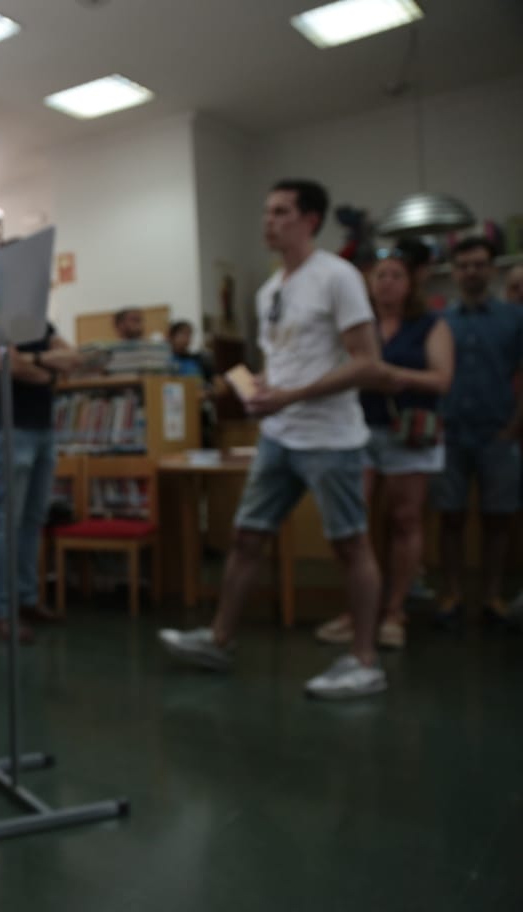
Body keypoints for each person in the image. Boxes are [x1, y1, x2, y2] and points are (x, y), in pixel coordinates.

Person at [158, 178, 387, 699]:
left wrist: (291, 394)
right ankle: (219, 640)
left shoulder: (339, 277)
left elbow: (368, 363)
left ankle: (365, 660)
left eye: (281, 211)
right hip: (278, 437)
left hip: (331, 438)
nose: (269, 221)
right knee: (246, 537)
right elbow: (282, 361)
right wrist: (262, 388)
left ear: (310, 220)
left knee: (350, 545)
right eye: (266, 211)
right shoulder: (269, 291)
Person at [314, 250, 453, 650]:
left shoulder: (429, 325)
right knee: (353, 521)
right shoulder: (359, 325)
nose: (386, 282)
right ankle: (357, 610)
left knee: (405, 519)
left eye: (395, 275)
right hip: (357, 430)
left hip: (409, 433)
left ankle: (395, 612)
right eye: (379, 276)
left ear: (410, 284)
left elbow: (442, 379)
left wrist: (395, 375)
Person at [431, 237, 523, 627]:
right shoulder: (440, 322)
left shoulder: (513, 318)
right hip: (450, 433)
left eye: (479, 264)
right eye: (464, 265)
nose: (471, 271)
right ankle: (451, 595)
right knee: (449, 517)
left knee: (497, 519)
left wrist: (514, 426)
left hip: (497, 432)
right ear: (454, 272)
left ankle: (491, 597)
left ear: (492, 269)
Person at [0, 321, 82, 643]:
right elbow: (8, 363)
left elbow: (73, 357)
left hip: (43, 431)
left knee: (32, 520)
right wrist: (50, 369)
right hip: (11, 430)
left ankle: (26, 599)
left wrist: (34, 363)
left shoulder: (41, 323)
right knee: (6, 521)